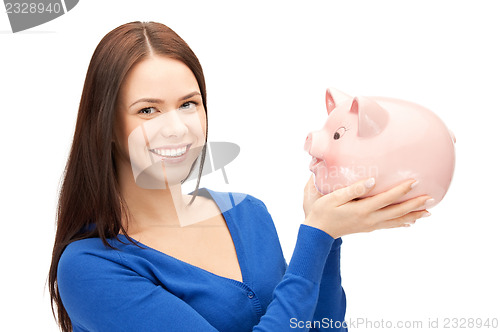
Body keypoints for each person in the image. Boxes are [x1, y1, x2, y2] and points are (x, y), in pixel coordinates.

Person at [48, 21, 432, 332]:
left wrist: (330, 236)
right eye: (148, 111)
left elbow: (324, 329)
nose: (177, 128)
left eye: (188, 104)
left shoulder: (247, 213)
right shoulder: (90, 267)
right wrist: (316, 238)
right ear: (106, 126)